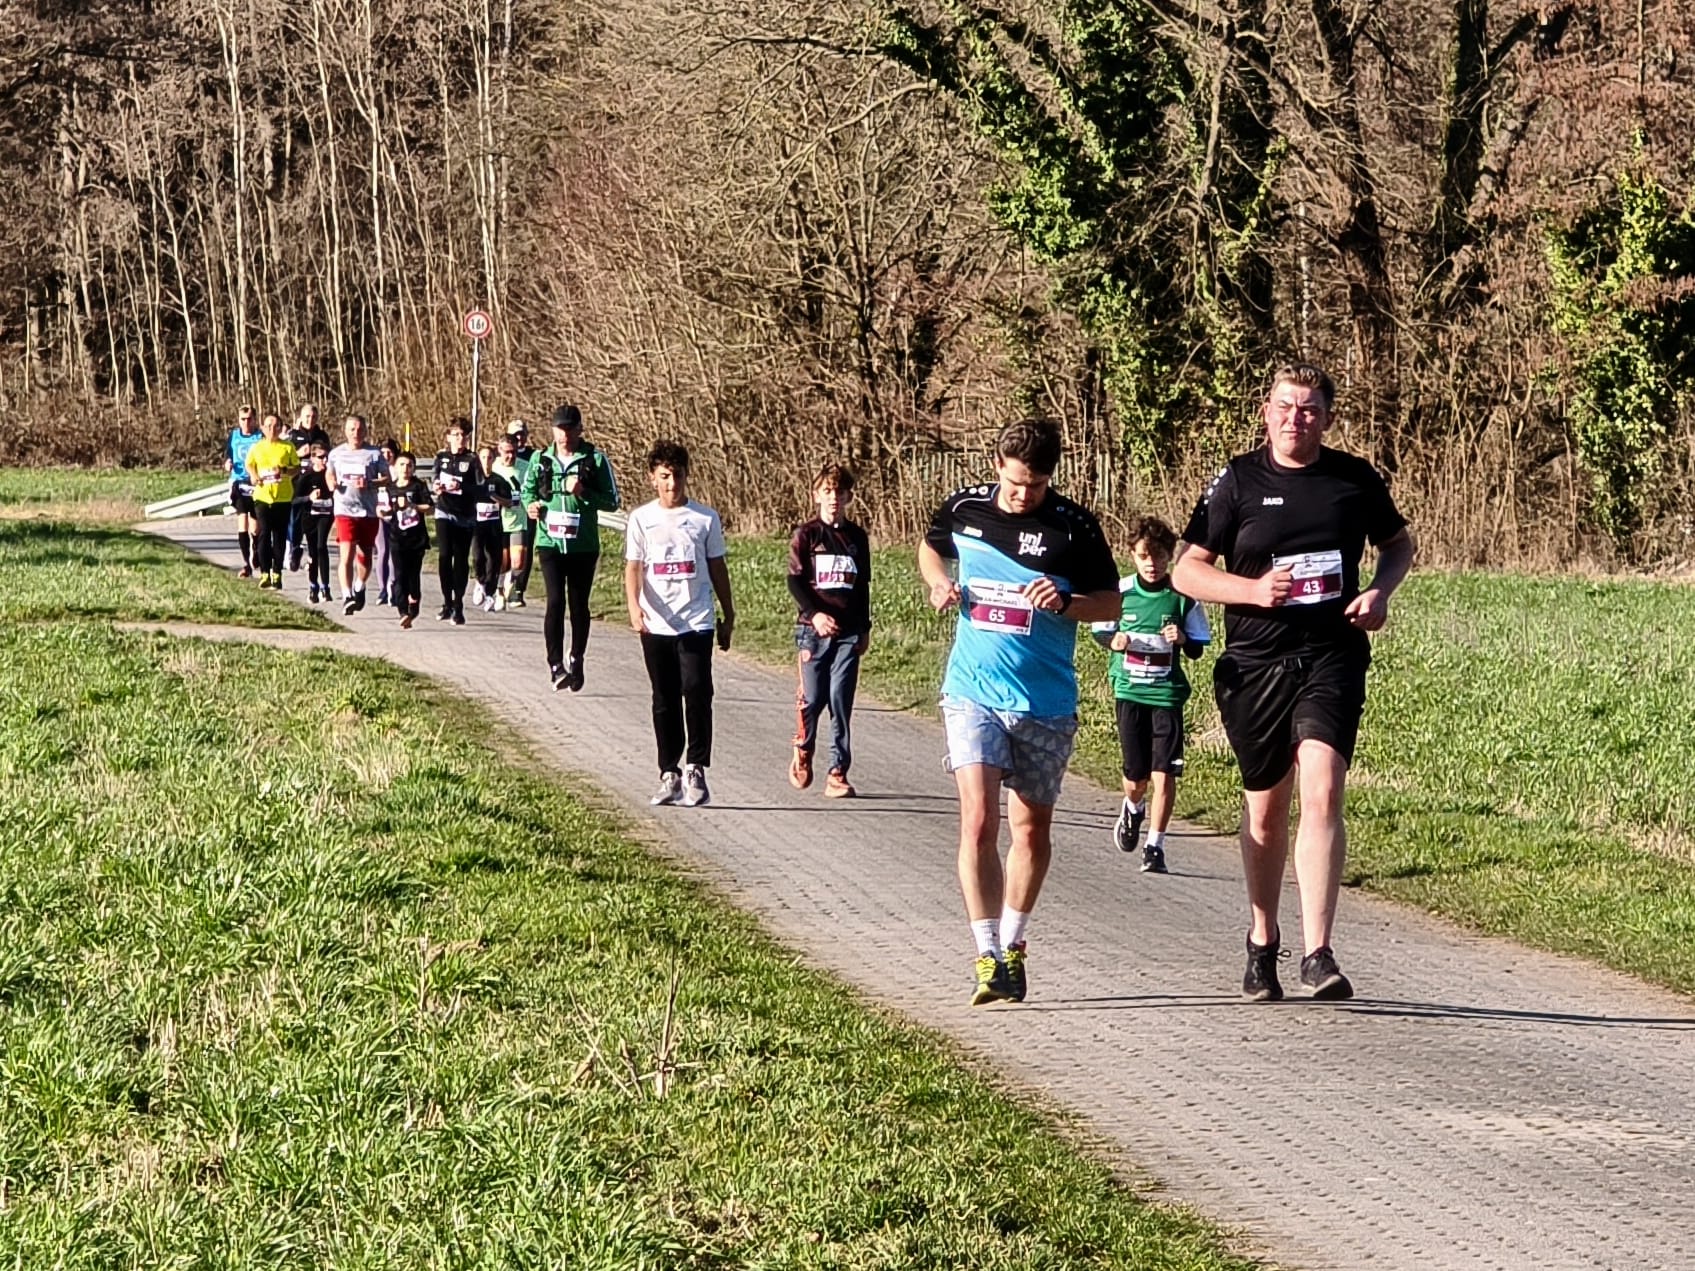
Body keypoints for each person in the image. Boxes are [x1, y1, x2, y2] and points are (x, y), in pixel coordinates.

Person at [1171, 362, 1416, 1002]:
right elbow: (1186, 573)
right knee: (1265, 808)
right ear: (1266, 410)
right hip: (1254, 662)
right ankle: (1261, 940)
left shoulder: (1353, 478)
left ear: (1327, 417)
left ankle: (1318, 952)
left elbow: (1399, 545)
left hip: (1331, 651)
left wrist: (1380, 593)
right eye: (1284, 406)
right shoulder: (1238, 480)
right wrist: (1251, 590)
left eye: (1308, 409)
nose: (1294, 418)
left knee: (1324, 786)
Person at [917, 417, 1120, 1007]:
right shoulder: (967, 509)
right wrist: (939, 585)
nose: (1019, 495)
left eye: (1031, 486)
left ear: (1049, 478)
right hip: (972, 691)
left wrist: (1067, 601)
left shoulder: (1074, 528)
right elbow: (931, 550)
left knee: (1030, 831)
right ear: (997, 469)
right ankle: (984, 955)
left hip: (1045, 702)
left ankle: (1013, 945)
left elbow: (1110, 601)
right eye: (1011, 483)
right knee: (979, 822)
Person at [1090, 514, 1211, 873]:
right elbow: (1101, 631)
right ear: (1133, 555)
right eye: (1145, 556)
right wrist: (1115, 640)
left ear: (1169, 556)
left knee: (1164, 774)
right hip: (1129, 693)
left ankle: (1155, 846)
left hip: (1166, 696)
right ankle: (1133, 808)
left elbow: (1198, 647)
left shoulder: (1183, 597)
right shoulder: (1121, 591)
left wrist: (1183, 639)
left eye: (1159, 556)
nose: (1152, 564)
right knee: (1136, 779)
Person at [624, 440, 733, 808]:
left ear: (688, 476)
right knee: (664, 697)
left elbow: (717, 567)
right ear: (653, 478)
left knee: (697, 689)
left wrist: (728, 614)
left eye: (678, 476)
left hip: (696, 619)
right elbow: (633, 567)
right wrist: (634, 608)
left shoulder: (705, 519)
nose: (673, 484)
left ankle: (696, 767)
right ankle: (668, 772)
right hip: (656, 621)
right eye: (665, 477)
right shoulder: (641, 518)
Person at [786, 462, 872, 799]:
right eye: (827, 491)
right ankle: (803, 747)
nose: (833, 498)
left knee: (840, 699)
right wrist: (815, 614)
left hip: (849, 633)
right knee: (814, 697)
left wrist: (864, 628)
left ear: (849, 496)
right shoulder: (806, 535)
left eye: (839, 492)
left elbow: (863, 585)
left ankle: (838, 771)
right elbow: (794, 581)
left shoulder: (857, 538)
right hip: (813, 631)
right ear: (816, 495)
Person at [523, 404, 622, 690]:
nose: (564, 435)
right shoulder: (541, 459)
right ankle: (555, 665)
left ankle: (577, 656)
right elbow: (528, 491)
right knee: (555, 601)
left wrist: (584, 493)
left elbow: (612, 502)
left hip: (583, 544)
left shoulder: (595, 460)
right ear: (552, 430)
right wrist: (531, 506)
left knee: (579, 605)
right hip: (549, 541)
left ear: (580, 429)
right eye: (559, 429)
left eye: (569, 429)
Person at [326, 413, 391, 615]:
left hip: (368, 511)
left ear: (366, 431)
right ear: (345, 431)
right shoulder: (336, 454)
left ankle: (359, 586)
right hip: (344, 509)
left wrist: (371, 483)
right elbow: (329, 472)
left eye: (360, 429)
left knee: (365, 555)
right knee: (346, 554)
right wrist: (331, 482)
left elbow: (387, 478)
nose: (356, 433)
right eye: (352, 429)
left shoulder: (374, 454)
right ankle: (347, 596)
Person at [431, 417, 483, 625]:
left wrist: (461, 487)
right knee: (444, 556)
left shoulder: (472, 459)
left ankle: (458, 603)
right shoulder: (441, 457)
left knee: (460, 560)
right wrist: (437, 487)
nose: (460, 439)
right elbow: (435, 478)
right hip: (444, 511)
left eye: (463, 435)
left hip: (465, 516)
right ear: (448, 437)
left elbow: (480, 488)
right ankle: (446, 601)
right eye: (456, 435)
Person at [243, 412, 299, 590]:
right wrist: (253, 476)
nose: (272, 429)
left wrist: (284, 470)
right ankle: (265, 572)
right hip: (262, 496)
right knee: (264, 533)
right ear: (262, 428)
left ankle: (277, 572)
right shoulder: (257, 447)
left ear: (281, 428)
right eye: (268, 426)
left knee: (280, 535)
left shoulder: (287, 447)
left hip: (282, 497)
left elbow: (296, 468)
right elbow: (249, 464)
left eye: (275, 426)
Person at [385, 451, 434, 628]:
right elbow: (383, 509)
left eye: (409, 465)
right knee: (399, 575)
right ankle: (403, 612)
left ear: (413, 468)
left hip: (416, 538)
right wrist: (383, 511)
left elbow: (430, 508)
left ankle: (414, 605)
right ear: (395, 467)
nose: (405, 469)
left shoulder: (419, 486)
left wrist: (412, 505)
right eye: (402, 465)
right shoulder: (390, 488)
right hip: (396, 537)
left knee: (413, 575)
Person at [286, 404, 329, 571]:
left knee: (313, 519)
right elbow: (286, 459)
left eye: (313, 417)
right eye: (307, 417)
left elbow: (327, 457)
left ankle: (314, 552)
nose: (310, 420)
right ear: (301, 417)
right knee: (294, 519)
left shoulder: (322, 436)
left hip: (317, 482)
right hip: (298, 482)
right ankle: (295, 548)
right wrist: (297, 454)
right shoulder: (293, 436)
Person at [490, 431, 530, 607]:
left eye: (513, 452)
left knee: (518, 560)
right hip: (497, 522)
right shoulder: (493, 466)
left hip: (518, 520)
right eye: (506, 452)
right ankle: (498, 590)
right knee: (502, 560)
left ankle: (510, 583)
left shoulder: (525, 467)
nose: (510, 456)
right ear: (499, 450)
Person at [471, 441, 511, 611]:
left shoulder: (499, 480)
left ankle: (490, 592)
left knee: (494, 560)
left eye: (489, 458)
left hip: (494, 524)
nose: (486, 461)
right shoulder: (474, 479)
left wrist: (495, 497)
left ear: (494, 459)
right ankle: (480, 582)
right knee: (478, 555)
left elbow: (510, 502)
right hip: (477, 524)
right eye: (483, 457)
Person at [294, 443, 336, 602]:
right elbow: (295, 500)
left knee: (321, 546)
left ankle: (326, 587)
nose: (324, 460)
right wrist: (308, 498)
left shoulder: (330, 475)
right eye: (320, 457)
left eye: (327, 457)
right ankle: (313, 587)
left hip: (325, 515)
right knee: (313, 551)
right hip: (310, 517)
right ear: (312, 458)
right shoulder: (307, 477)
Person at [224, 403, 262, 578]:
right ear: (238, 420)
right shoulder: (234, 436)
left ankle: (255, 549)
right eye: (243, 419)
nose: (246, 423)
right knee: (242, 522)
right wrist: (228, 462)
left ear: (254, 419)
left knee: (255, 528)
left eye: (249, 419)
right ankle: (246, 563)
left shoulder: (260, 437)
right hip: (238, 483)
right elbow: (228, 454)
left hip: (255, 483)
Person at [506, 419, 537, 606]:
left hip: (526, 509)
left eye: (522, 434)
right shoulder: (500, 454)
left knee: (525, 550)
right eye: (515, 435)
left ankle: (518, 590)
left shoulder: (535, 456)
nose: (519, 438)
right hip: (506, 510)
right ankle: (499, 583)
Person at [372, 437, 400, 605]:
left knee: (394, 552)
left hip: (396, 514)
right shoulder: (375, 469)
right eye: (383, 452)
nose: (386, 455)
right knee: (382, 550)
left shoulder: (399, 469)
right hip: (379, 513)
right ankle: (383, 589)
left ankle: (393, 586)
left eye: (390, 452)